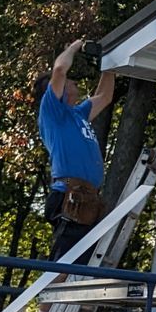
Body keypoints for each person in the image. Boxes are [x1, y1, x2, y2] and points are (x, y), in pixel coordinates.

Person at [38, 36, 116, 262]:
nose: (75, 84)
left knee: (81, 263)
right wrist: (74, 46)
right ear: (58, 90)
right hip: (69, 197)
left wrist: (109, 63)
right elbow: (59, 69)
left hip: (86, 199)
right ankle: (50, 288)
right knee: (64, 262)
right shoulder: (53, 111)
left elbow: (105, 96)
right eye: (71, 82)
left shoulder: (78, 114)